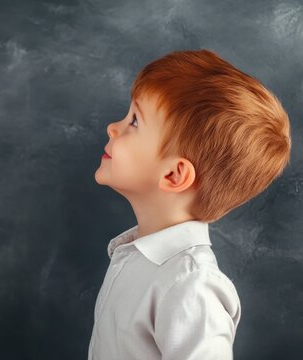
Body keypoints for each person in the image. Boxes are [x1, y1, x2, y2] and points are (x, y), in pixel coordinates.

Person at [88, 49, 291, 359]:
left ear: (174, 174)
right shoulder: (140, 256)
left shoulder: (190, 285)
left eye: (134, 121)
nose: (113, 128)